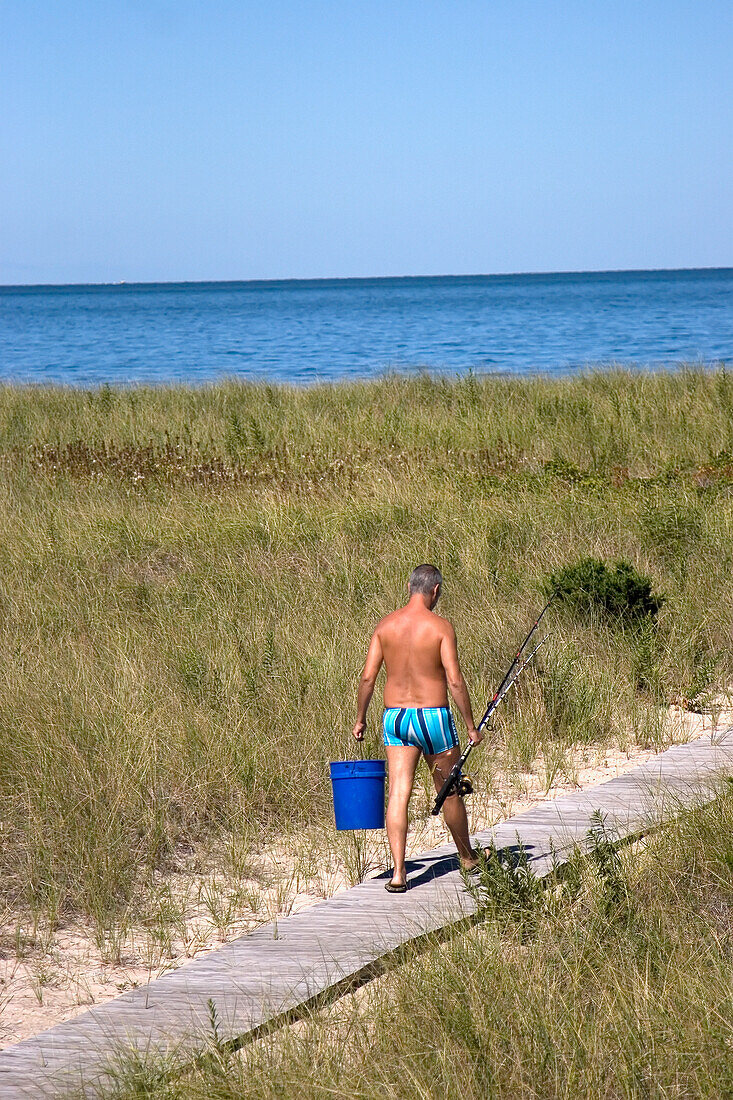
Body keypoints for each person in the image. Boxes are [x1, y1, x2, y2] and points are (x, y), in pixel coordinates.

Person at [353, 564, 483, 892]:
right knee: (449, 789)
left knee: (399, 792)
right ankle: (467, 859)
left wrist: (360, 718)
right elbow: (453, 679)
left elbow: (368, 677)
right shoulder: (440, 627)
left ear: (409, 586)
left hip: (395, 717)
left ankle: (398, 873)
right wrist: (470, 725)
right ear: (435, 590)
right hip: (433, 716)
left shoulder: (385, 626)